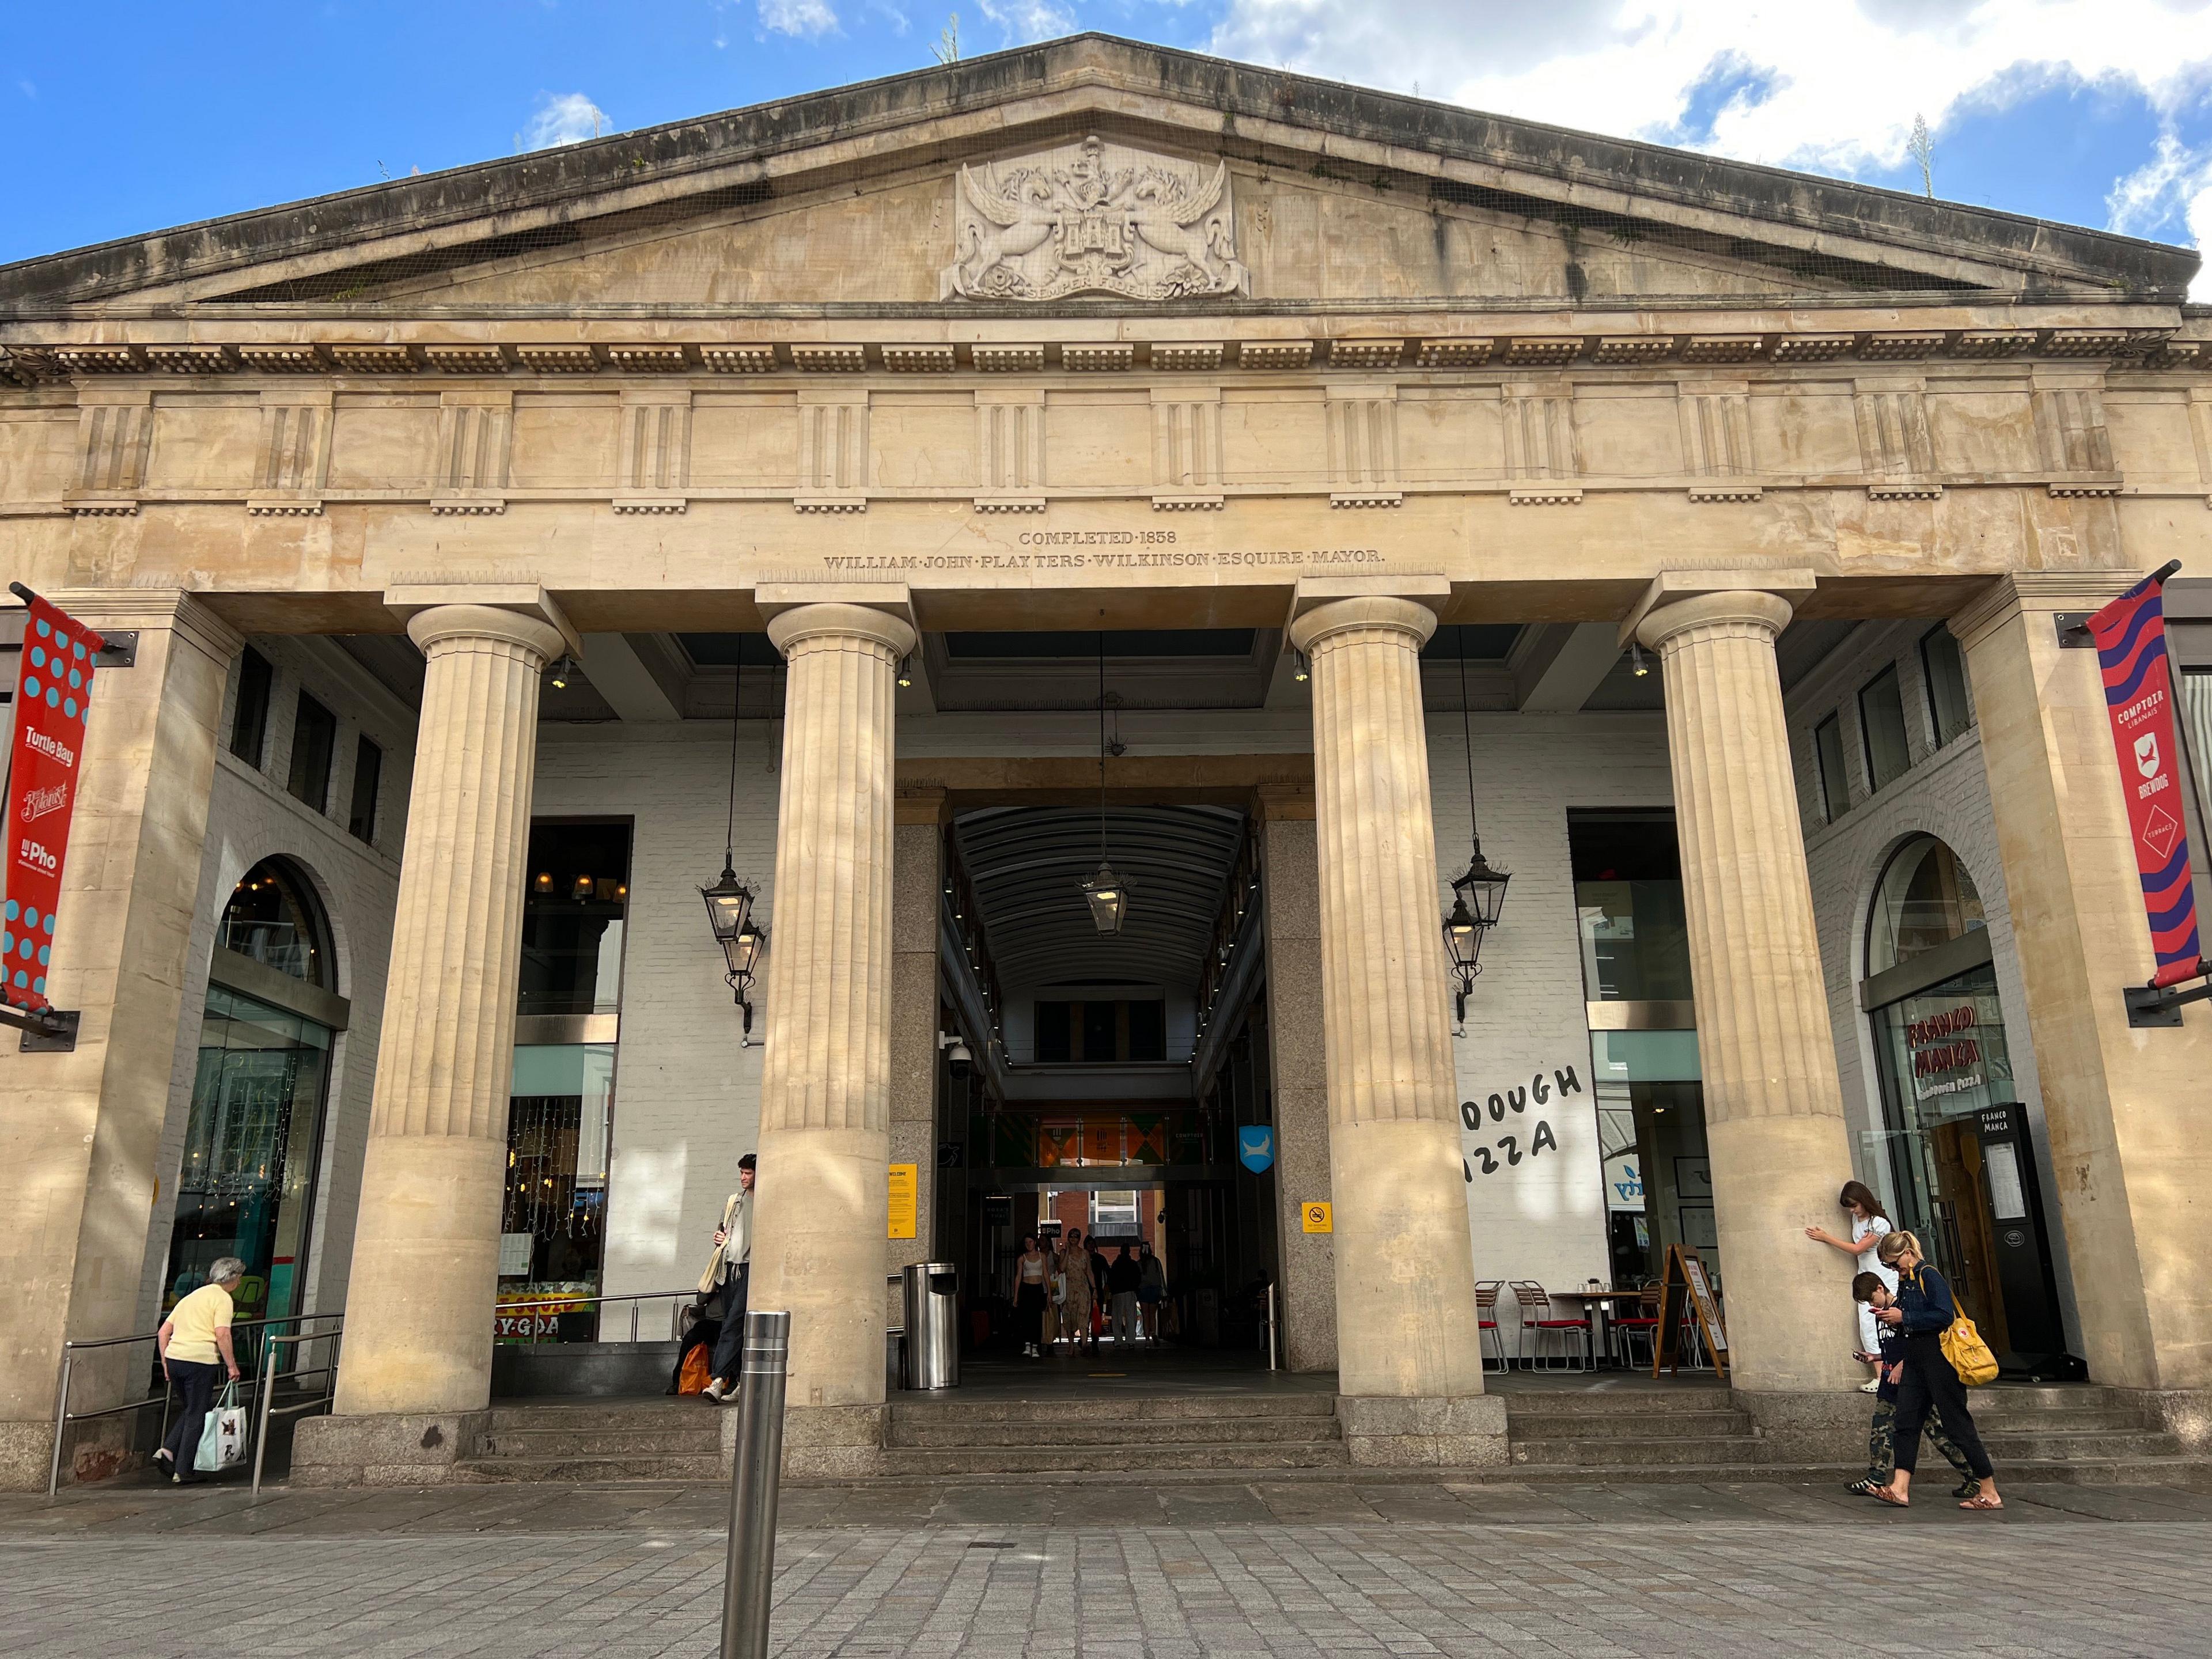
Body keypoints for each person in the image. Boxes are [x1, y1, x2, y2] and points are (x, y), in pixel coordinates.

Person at [1870, 1230, 2002, 1512]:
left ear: (1908, 1252)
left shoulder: (1929, 1275)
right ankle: (1900, 1488)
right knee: (1905, 1422)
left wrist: (1904, 1317)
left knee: (1957, 1425)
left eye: (1894, 1263)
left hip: (1941, 1360)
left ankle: (1989, 1491)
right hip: (1917, 1361)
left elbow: (1944, 1315)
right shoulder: (1907, 1281)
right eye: (1889, 1267)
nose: (1895, 1269)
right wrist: (1894, 1319)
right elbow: (1913, 1319)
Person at [1849, 1271, 1978, 1500]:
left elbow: (1915, 1345)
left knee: (1938, 1433)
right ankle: (1876, 1477)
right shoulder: (1883, 1316)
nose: (1872, 1305)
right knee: (1880, 1429)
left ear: (1880, 1288)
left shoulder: (1902, 1312)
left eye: (1871, 1299)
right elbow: (1893, 1347)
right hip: (1892, 1382)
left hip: (1912, 1383)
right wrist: (1875, 1358)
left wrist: (1903, 1364)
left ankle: (1975, 1473)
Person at [154, 1257, 244, 1484]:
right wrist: (231, 1365)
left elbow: (164, 1331)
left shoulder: (191, 1297)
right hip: (200, 1361)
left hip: (176, 1359)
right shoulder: (223, 1299)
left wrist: (165, 1362)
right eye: (240, 1277)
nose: (240, 1282)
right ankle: (183, 1471)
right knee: (197, 1415)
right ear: (231, 1278)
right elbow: (222, 1334)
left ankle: (167, 1451)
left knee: (193, 1408)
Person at [1804, 1180, 1897, 1393]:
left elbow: (1858, 1249)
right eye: (1850, 1207)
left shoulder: (1879, 1223)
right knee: (1868, 1326)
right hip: (1867, 1277)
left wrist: (1826, 1237)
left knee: (1882, 1325)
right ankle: (1882, 1375)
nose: (1853, 1210)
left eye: (1855, 1205)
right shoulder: (1859, 1220)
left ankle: (1886, 1375)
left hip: (1882, 1280)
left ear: (1864, 1201)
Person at [699, 1153, 755, 1403]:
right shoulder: (734, 1201)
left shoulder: (766, 1201)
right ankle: (739, 1382)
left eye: (749, 1173)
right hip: (729, 1269)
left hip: (751, 1269)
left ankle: (718, 1380)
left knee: (733, 1323)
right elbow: (723, 1231)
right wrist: (719, 1238)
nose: (743, 1178)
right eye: (742, 1173)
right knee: (734, 1325)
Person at [1058, 1228, 1096, 1355]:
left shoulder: (1085, 1254)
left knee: (1083, 1316)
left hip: (1083, 1288)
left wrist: (1094, 1288)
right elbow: (1062, 1269)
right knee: (1069, 1318)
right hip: (1069, 1289)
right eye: (1071, 1236)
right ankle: (1071, 1346)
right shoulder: (1063, 1253)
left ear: (1079, 1239)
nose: (1073, 1239)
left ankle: (1084, 1344)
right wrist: (1068, 1251)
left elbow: (1089, 1272)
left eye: (1076, 1236)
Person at [1014, 1234, 1052, 1358]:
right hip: (1026, 1288)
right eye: (1026, 1243)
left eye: (1030, 1242)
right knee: (1026, 1318)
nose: (1029, 1244)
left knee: (1037, 1318)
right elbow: (1018, 1277)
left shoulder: (1042, 1257)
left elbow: (1046, 1273)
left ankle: (1035, 1346)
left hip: (1038, 1288)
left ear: (1035, 1242)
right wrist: (1016, 1295)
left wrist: (1049, 1293)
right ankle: (1027, 1345)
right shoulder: (1022, 1258)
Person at [1107, 1243, 1142, 1347]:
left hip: (1118, 1292)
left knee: (1117, 1317)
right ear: (1129, 1251)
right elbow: (1138, 1278)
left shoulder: (1116, 1264)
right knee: (1131, 1316)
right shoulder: (1133, 1264)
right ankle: (1131, 1339)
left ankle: (1118, 1339)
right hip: (1130, 1292)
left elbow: (1111, 1279)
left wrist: (1112, 1290)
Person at [1135, 1240, 1167, 1344]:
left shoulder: (1139, 1264)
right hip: (1155, 1289)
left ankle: (1147, 1337)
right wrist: (1164, 1291)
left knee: (1145, 1314)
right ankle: (1153, 1332)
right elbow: (1161, 1276)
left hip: (1143, 1290)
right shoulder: (1156, 1261)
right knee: (1153, 1314)